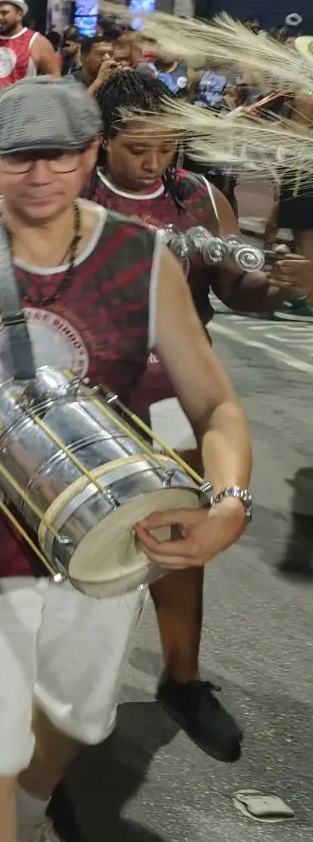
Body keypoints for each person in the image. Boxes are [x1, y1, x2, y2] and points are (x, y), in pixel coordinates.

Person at [0, 77, 253, 842]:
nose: (41, 176)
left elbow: (214, 407)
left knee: (73, 717)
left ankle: (28, 810)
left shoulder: (140, 258)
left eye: (62, 157)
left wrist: (227, 505)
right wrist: (25, 455)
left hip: (107, 536)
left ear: (92, 153)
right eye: (21, 159)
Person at [88, 70, 313, 759]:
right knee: (80, 544)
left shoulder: (198, 197)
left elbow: (234, 283)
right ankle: (61, 703)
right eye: (137, 150)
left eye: (165, 147)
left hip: (173, 396)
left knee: (178, 536)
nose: (154, 163)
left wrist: (275, 283)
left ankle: (181, 679)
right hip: (88, 402)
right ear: (101, 143)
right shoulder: (74, 193)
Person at [0, 0, 59, 87]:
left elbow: (55, 78)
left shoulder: (37, 42)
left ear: (19, 15)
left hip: (19, 101)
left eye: (4, 13)